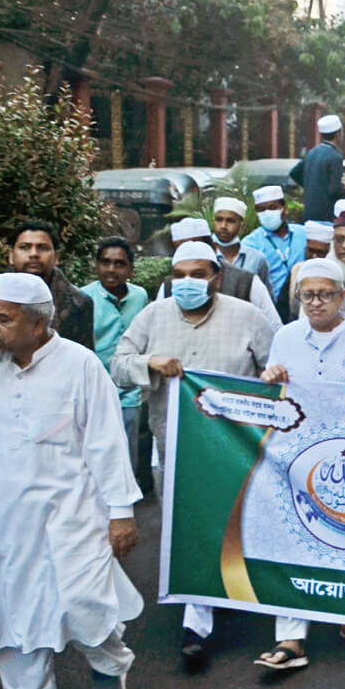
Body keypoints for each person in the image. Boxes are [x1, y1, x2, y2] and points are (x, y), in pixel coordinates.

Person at [0, 273, 142, 689]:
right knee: (8, 614)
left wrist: (121, 513)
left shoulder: (80, 365)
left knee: (85, 601)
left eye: (2, 318)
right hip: (0, 523)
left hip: (73, 516)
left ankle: (109, 669)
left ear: (37, 322)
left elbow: (107, 443)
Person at [110, 242, 273, 665]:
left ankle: (234, 590)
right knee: (186, 529)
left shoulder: (248, 317)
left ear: (216, 277)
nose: (187, 283)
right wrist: (149, 362)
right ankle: (195, 620)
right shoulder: (153, 316)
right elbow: (119, 362)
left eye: (197, 274)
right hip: (175, 445)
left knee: (233, 522)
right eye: (178, 274)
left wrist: (272, 378)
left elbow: (274, 374)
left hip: (234, 447)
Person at [253, 258, 345, 671]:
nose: (316, 303)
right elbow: (275, 394)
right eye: (307, 295)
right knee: (293, 536)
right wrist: (269, 376)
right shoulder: (287, 337)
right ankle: (291, 638)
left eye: (325, 294)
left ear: (342, 297)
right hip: (297, 455)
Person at [81, 237, 149, 476]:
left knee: (127, 456)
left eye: (119, 263)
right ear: (96, 266)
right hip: (94, 392)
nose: (111, 269)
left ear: (131, 269)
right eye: (105, 262)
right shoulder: (82, 299)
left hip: (130, 393)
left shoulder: (140, 297)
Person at [0, 221, 94, 353]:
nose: (33, 254)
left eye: (43, 248)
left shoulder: (78, 302)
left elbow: (83, 356)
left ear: (56, 257)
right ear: (11, 256)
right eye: (24, 247)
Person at [164, 217, 281, 329]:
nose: (190, 254)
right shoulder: (169, 286)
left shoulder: (246, 282)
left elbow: (273, 327)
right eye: (182, 249)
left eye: (198, 247)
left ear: (214, 248)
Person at [242, 185, 308, 316]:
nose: (266, 213)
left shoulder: (304, 234)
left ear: (285, 208)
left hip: (305, 307)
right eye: (261, 210)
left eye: (272, 207)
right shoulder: (250, 243)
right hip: (270, 311)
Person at [289, 114, 345, 222]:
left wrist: (311, 186)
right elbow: (334, 190)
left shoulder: (312, 153)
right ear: (338, 134)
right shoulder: (336, 157)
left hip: (309, 214)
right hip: (327, 216)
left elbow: (294, 173)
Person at [210, 196, 272, 291]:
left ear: (242, 227)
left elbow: (266, 298)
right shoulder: (204, 255)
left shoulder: (256, 259)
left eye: (230, 221)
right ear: (213, 222)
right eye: (219, 220)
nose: (223, 226)